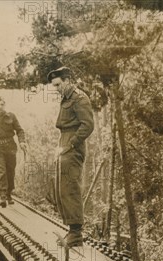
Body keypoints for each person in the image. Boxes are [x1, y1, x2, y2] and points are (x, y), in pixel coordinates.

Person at [47, 66, 94, 247]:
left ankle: (76, 233)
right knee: (61, 189)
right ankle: (72, 230)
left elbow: (87, 125)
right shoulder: (66, 98)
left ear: (68, 81)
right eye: (54, 85)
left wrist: (71, 143)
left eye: (58, 84)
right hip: (64, 143)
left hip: (73, 146)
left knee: (70, 187)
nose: (56, 88)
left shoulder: (80, 98)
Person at [0, 96, 27, 208]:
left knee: (10, 171)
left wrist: (22, 141)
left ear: (5, 105)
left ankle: (9, 194)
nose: (0, 106)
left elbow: (20, 130)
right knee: (1, 170)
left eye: (2, 104)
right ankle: (2, 196)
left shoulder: (11, 116)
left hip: (10, 147)